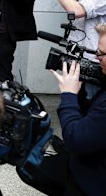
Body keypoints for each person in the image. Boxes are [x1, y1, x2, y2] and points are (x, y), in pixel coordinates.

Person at [19, 24, 106, 196]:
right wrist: (79, 90)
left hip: (92, 183)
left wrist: (68, 95)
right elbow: (90, 117)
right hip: (87, 165)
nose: (97, 58)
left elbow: (75, 139)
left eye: (102, 54)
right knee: (26, 167)